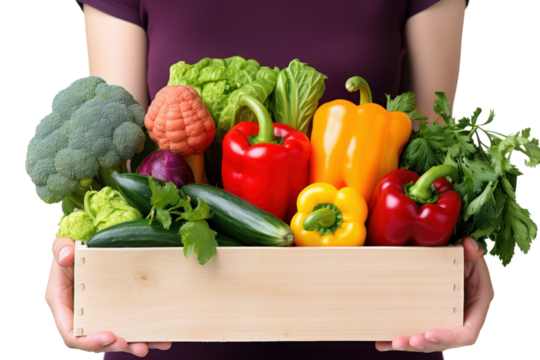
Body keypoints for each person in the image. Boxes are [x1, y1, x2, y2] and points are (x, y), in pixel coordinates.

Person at [44, 0, 495, 358]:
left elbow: (433, 144)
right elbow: (116, 151)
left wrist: (459, 263)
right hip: (168, 330)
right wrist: (80, 261)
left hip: (378, 327)